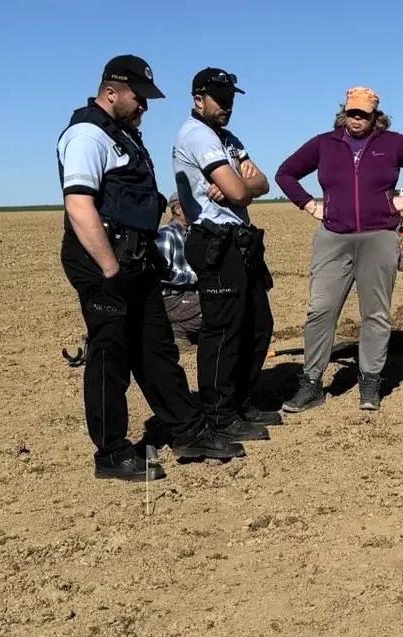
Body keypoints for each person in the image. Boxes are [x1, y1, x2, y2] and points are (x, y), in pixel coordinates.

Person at [57, 55, 245, 480]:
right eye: (139, 97)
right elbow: (79, 205)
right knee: (111, 353)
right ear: (111, 92)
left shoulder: (123, 135)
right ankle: (112, 453)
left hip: (135, 259)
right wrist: (108, 268)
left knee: (156, 346)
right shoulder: (87, 134)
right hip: (103, 259)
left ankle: (188, 430)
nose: (145, 105)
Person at [275, 87, 403, 412]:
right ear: (344, 112)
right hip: (333, 238)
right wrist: (310, 206)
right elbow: (285, 173)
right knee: (320, 310)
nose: (357, 119)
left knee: (375, 313)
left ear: (375, 116)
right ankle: (311, 384)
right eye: (352, 112)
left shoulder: (392, 143)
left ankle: (370, 382)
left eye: (363, 114)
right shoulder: (324, 144)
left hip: (379, 236)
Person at [173, 67, 277, 440]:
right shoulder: (198, 136)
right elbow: (238, 192)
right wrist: (240, 184)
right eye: (220, 99)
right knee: (224, 330)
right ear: (198, 99)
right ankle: (220, 412)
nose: (227, 106)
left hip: (241, 240)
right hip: (214, 241)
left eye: (231, 99)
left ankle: (242, 402)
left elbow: (262, 182)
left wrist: (243, 184)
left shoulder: (227, 137)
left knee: (257, 324)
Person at [156, 192, 202, 344]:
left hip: (187, 296)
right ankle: (177, 331)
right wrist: (194, 277)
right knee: (214, 305)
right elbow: (162, 273)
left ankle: (180, 329)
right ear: (178, 209)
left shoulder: (190, 234)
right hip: (172, 299)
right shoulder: (166, 234)